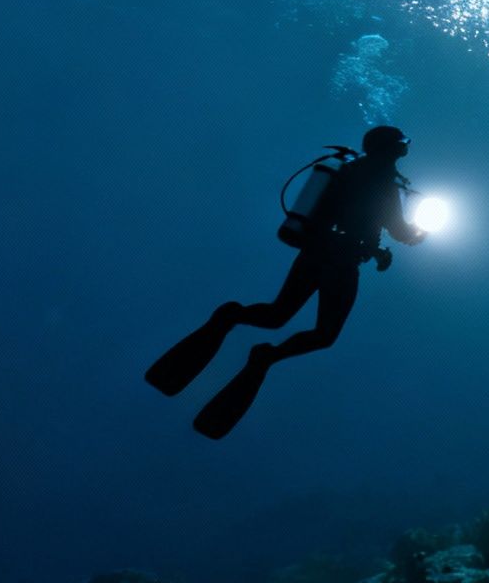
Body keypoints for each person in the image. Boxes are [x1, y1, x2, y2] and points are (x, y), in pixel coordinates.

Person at [145, 125, 426, 438]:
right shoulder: (383, 181)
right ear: (391, 149)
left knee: (277, 313)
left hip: (314, 252)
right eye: (404, 144)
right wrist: (419, 233)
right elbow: (396, 230)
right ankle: (266, 356)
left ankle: (230, 316)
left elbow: (352, 220)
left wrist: (376, 252)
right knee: (324, 334)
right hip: (342, 263)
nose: (406, 150)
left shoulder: (349, 170)